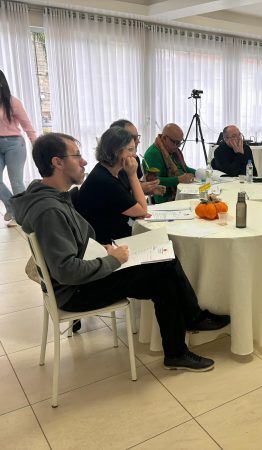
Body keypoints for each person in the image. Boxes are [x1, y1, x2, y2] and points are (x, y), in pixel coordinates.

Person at [13, 132, 230, 371]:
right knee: (163, 271)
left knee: (164, 261)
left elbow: (75, 245)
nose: (84, 161)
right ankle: (183, 337)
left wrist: (104, 250)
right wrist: (112, 260)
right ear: (57, 162)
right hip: (75, 291)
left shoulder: (50, 197)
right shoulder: (49, 210)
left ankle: (185, 334)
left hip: (86, 271)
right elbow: (66, 271)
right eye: (77, 156)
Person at [75, 127, 148, 244]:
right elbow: (143, 210)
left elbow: (135, 207)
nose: (134, 155)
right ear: (116, 152)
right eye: (130, 150)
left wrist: (136, 211)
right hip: (107, 245)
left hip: (113, 235)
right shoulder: (105, 181)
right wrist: (133, 175)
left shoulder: (104, 170)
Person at [0, 70, 37, 227]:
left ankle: (21, 215)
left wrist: (35, 143)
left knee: (16, 182)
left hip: (14, 144)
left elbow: (26, 124)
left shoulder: (12, 102)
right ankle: (11, 208)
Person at [110, 119, 166, 198]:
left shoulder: (134, 159)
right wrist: (139, 189)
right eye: (133, 137)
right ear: (116, 140)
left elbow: (135, 185)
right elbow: (118, 198)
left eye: (137, 137)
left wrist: (149, 189)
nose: (138, 141)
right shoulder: (111, 167)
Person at [143, 123, 195, 203]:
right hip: (164, 197)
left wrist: (201, 172)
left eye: (180, 143)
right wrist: (178, 179)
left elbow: (185, 168)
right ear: (164, 138)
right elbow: (152, 181)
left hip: (179, 190)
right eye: (176, 142)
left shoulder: (174, 151)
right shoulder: (153, 153)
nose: (178, 146)